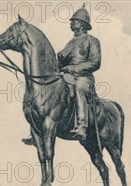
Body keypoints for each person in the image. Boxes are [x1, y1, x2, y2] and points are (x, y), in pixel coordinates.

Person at [22, 4, 101, 144]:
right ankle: (37, 130)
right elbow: (61, 59)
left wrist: (73, 68)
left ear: (82, 24)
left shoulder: (92, 41)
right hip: (68, 76)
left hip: (84, 78)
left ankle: (82, 126)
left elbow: (95, 63)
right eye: (72, 21)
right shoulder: (71, 42)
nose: (72, 23)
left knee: (79, 89)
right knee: (50, 91)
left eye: (75, 21)